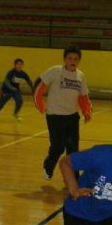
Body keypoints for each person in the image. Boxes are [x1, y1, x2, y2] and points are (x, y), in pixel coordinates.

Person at [34, 44, 92, 181]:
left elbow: (83, 96)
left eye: (76, 59)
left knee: (73, 149)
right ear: (65, 59)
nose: (73, 61)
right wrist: (40, 104)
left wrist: (87, 111)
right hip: (55, 116)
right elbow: (38, 86)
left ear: (79, 61)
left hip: (72, 117)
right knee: (58, 146)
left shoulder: (80, 76)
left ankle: (73, 177)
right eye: (70, 58)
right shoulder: (55, 71)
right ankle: (49, 165)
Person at [0, 58, 34, 122]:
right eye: (18, 64)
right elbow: (7, 82)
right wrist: (12, 88)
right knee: (1, 104)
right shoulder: (11, 72)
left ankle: (15, 114)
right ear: (15, 65)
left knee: (20, 101)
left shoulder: (23, 74)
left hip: (15, 91)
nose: (20, 65)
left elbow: (29, 81)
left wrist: (33, 88)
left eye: (21, 64)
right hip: (6, 90)